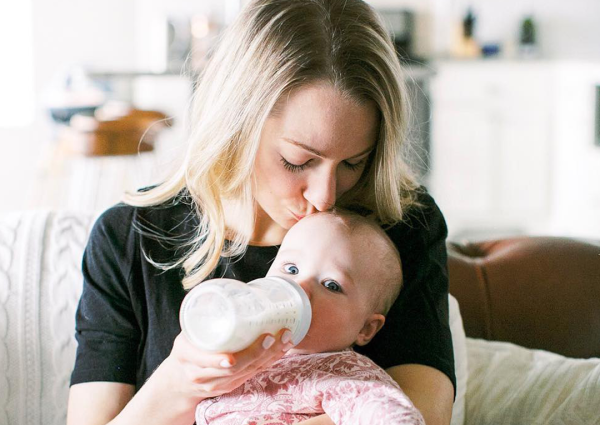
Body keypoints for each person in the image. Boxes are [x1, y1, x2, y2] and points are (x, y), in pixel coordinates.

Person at [66, 1, 456, 424]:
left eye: (353, 163)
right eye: (297, 160)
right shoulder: (130, 237)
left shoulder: (400, 228)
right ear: (238, 125)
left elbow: (419, 416)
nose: (325, 198)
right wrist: (182, 382)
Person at [194, 211, 425, 425]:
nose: (300, 288)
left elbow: (385, 411)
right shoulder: (239, 345)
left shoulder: (343, 371)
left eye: (331, 285)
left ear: (366, 328)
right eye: (291, 269)